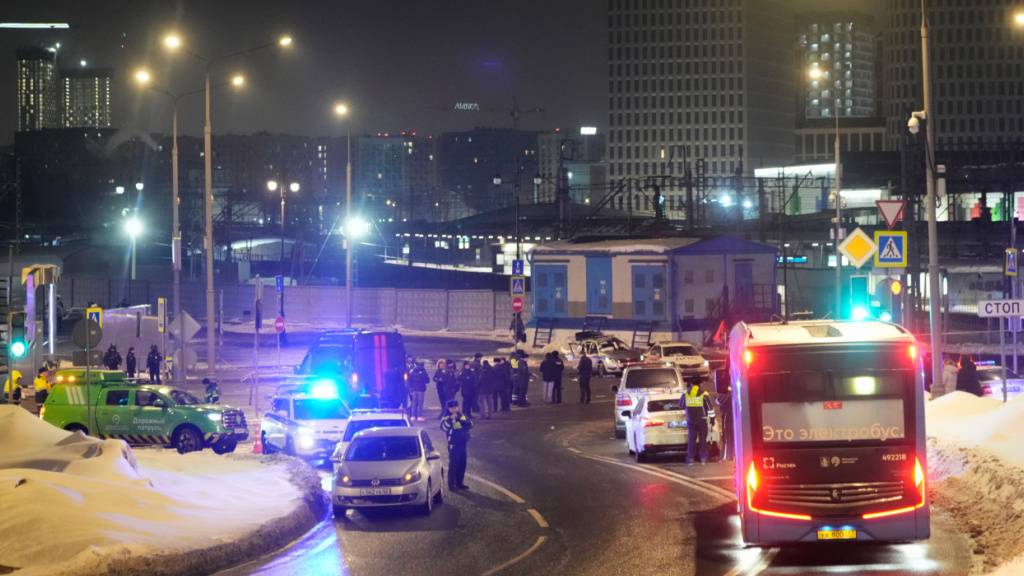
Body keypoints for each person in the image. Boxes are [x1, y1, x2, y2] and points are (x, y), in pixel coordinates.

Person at [440, 399, 472, 491]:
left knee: (462, 464)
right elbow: (443, 427)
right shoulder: (446, 418)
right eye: (452, 408)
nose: (454, 409)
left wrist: (460, 420)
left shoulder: (462, 416)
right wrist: (451, 419)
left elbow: (470, 424)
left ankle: (459, 483)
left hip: (462, 444)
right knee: (454, 465)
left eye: (455, 407)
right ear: (448, 409)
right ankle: (452, 485)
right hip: (453, 445)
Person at [682, 381, 716, 465]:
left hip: (691, 420)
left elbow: (681, 405)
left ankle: (690, 459)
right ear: (699, 386)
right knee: (702, 440)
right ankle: (703, 458)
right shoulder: (703, 394)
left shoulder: (686, 395)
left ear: (691, 386)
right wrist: (712, 419)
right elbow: (710, 408)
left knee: (691, 440)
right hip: (702, 420)